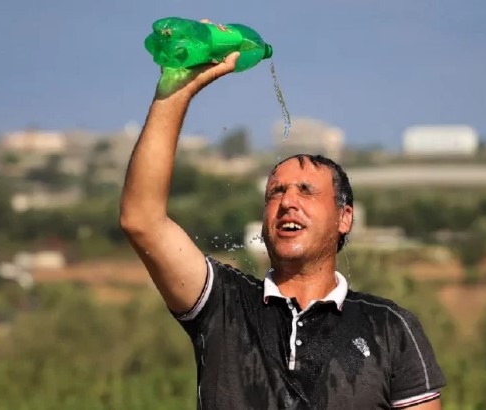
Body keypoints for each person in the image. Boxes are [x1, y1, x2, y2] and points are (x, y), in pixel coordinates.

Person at [120, 49, 446, 409]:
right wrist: (176, 92)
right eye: (275, 192)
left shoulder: (391, 328)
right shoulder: (222, 304)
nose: (287, 201)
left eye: (306, 190)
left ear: (344, 217)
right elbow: (142, 220)